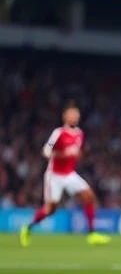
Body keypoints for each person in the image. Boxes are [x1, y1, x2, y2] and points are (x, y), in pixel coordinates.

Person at [19, 102, 111, 247]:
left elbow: (77, 153)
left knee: (89, 196)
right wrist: (61, 154)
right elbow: (46, 150)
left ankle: (92, 234)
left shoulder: (79, 134)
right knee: (50, 210)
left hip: (69, 174)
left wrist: (78, 155)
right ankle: (27, 228)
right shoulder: (59, 133)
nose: (75, 117)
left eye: (77, 114)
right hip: (54, 175)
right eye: (72, 114)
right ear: (65, 116)